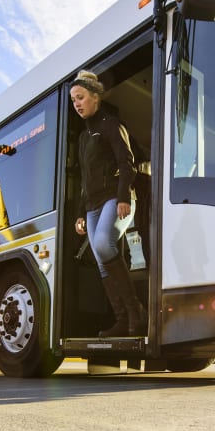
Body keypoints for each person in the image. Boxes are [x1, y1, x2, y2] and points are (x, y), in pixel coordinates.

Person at [70, 70, 147, 337]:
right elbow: (84, 179)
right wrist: (80, 213)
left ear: (94, 97)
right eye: (73, 100)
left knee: (103, 243)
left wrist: (124, 197)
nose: (77, 103)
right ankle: (124, 321)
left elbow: (127, 164)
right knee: (102, 260)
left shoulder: (111, 125)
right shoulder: (82, 138)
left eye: (80, 97)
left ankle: (136, 312)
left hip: (116, 198)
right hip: (92, 206)